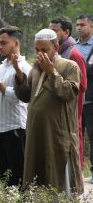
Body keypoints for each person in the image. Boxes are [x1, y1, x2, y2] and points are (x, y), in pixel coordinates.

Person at [14, 28, 83, 194]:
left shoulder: (69, 66)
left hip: (57, 133)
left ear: (56, 47)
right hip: (36, 133)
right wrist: (18, 73)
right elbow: (25, 96)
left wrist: (52, 71)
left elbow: (69, 93)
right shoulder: (35, 69)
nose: (40, 54)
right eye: (37, 50)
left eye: (44, 50)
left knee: (59, 181)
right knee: (36, 175)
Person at [0, 26, 31, 187]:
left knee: (18, 173)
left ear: (15, 43)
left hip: (14, 126)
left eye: (4, 43)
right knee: (4, 175)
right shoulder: (0, 68)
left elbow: (18, 98)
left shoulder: (25, 67)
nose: (0, 46)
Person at [49, 16, 87, 168]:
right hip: (57, 109)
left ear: (66, 32)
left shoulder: (74, 54)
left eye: (54, 31)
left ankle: (75, 180)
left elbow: (81, 86)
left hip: (71, 109)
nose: (51, 34)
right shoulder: (57, 51)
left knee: (73, 142)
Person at [75, 15, 93, 182]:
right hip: (74, 99)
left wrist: (79, 64)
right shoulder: (73, 45)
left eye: (83, 25)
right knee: (77, 135)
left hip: (91, 99)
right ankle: (77, 171)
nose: (79, 28)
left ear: (91, 27)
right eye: (77, 25)